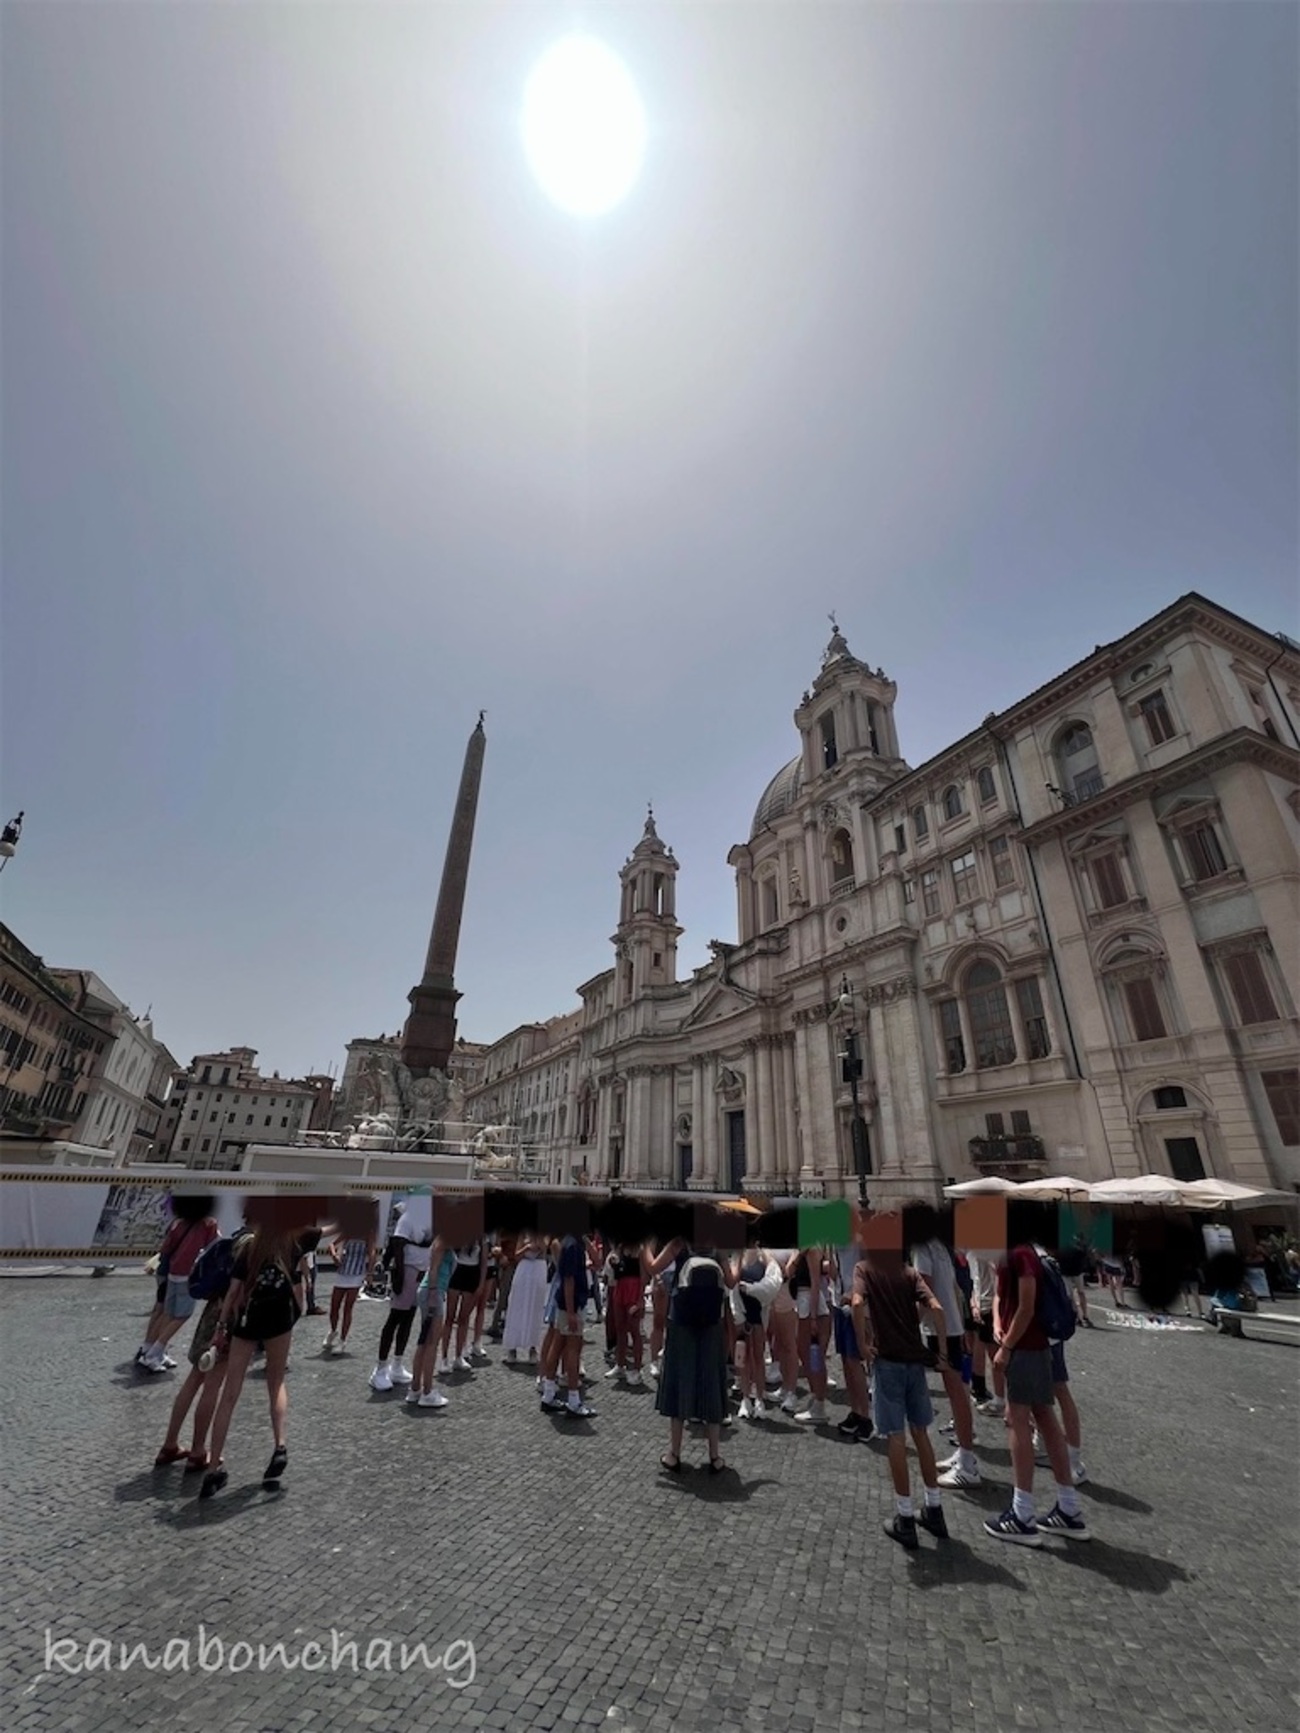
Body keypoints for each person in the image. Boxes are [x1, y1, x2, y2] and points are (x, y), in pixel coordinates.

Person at [983, 1240, 1089, 1545]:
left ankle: (1023, 1515)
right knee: (1044, 1416)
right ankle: (1068, 1508)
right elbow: (1005, 1297)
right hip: (1032, 1346)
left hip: (1025, 1348)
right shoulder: (1014, 1250)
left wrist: (1006, 1347)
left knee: (1016, 1419)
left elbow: (1027, 1306)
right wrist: (998, 1322)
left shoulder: (1019, 1252)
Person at [852, 1245, 949, 1550]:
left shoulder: (865, 1269)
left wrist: (862, 1345)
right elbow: (937, 1307)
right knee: (921, 1433)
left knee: (895, 1436)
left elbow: (857, 1302)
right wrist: (942, 1352)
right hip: (915, 1362)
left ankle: (905, 1517)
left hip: (889, 1362)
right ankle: (934, 1508)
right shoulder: (909, 1273)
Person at [200, 1223, 306, 1499]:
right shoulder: (290, 1247)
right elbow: (300, 1294)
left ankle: (213, 1469)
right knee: (276, 1382)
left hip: (249, 1319)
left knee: (229, 1394)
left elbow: (233, 1292)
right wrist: (292, 1319)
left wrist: (221, 1327)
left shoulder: (249, 1246)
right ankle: (280, 1446)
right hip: (280, 1320)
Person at [153, 1224, 251, 1471]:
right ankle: (197, 1451)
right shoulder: (252, 1244)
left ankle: (170, 1443)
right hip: (227, 1317)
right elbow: (237, 1292)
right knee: (212, 1385)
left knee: (194, 1378)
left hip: (211, 1311)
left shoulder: (237, 1237)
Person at [909, 1208, 981, 1490]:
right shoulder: (940, 1245)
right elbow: (954, 1288)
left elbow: (924, 1293)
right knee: (958, 1391)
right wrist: (961, 1324)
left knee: (956, 1392)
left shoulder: (922, 1248)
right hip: (952, 1325)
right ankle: (963, 1452)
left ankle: (967, 1464)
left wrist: (907, 1325)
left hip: (940, 1329)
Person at [655, 1243, 729, 1473]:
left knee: (680, 1380)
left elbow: (652, 1267)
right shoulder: (717, 1246)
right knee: (712, 1381)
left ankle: (674, 1453)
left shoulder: (679, 1243)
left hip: (681, 1320)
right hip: (711, 1322)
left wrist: (647, 1245)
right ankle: (715, 1456)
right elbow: (732, 1281)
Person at [137, 1198, 220, 1373]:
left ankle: (154, 1351)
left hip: (172, 1272)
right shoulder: (209, 1223)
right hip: (188, 1273)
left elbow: (166, 1247)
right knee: (182, 1315)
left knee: (167, 1312)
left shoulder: (179, 1223)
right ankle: (154, 1353)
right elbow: (214, 1247)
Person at [370, 1208, 431, 1390]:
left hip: (421, 1272)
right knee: (395, 1319)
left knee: (408, 1320)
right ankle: (380, 1369)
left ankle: (397, 1364)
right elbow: (397, 1245)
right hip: (407, 1271)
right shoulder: (408, 1218)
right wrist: (399, 1277)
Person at [540, 1231, 596, 1418]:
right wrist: (571, 1312)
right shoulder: (572, 1245)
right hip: (571, 1304)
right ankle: (573, 1400)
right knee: (573, 1349)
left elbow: (596, 1261)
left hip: (566, 1303)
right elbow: (568, 1279)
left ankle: (549, 1394)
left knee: (558, 1346)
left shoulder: (572, 1242)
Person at [732, 1241, 784, 1421]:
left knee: (758, 1356)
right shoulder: (737, 1256)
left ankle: (760, 1399)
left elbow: (773, 1282)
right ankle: (746, 1398)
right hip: (741, 1312)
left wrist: (751, 1289)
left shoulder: (765, 1256)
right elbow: (732, 1286)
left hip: (759, 1313)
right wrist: (737, 1315)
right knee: (743, 1356)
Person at [408, 1240, 452, 1409]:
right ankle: (427, 1391)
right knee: (432, 1342)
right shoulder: (443, 1242)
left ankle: (415, 1388)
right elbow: (434, 1268)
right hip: (433, 1291)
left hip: (432, 1290)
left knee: (425, 1341)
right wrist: (434, 1294)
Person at [502, 1232, 550, 1362]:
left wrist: (537, 1237)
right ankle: (512, 1348)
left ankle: (533, 1348)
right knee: (517, 1307)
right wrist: (526, 1248)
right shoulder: (523, 1233)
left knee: (535, 1309)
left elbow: (543, 1248)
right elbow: (517, 1255)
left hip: (538, 1269)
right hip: (524, 1269)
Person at [324, 1228, 374, 1353]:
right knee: (334, 1306)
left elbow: (372, 1253)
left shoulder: (368, 1233)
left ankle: (342, 1340)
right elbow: (331, 1244)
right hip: (343, 1271)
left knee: (348, 1307)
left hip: (357, 1273)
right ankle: (333, 1331)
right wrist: (334, 1255)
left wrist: (370, 1273)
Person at [606, 1241, 648, 1387]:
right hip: (620, 1288)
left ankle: (637, 1369)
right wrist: (613, 1263)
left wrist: (640, 1298)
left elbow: (644, 1275)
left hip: (634, 1289)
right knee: (620, 1328)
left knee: (634, 1330)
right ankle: (620, 1365)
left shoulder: (641, 1250)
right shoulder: (621, 1248)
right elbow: (617, 1269)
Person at [1057, 1235, 1094, 1328]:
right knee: (1073, 1295)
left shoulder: (1076, 1245)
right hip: (1069, 1271)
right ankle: (1079, 1316)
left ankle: (1083, 1316)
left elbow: (1085, 1253)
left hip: (1073, 1271)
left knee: (1076, 1294)